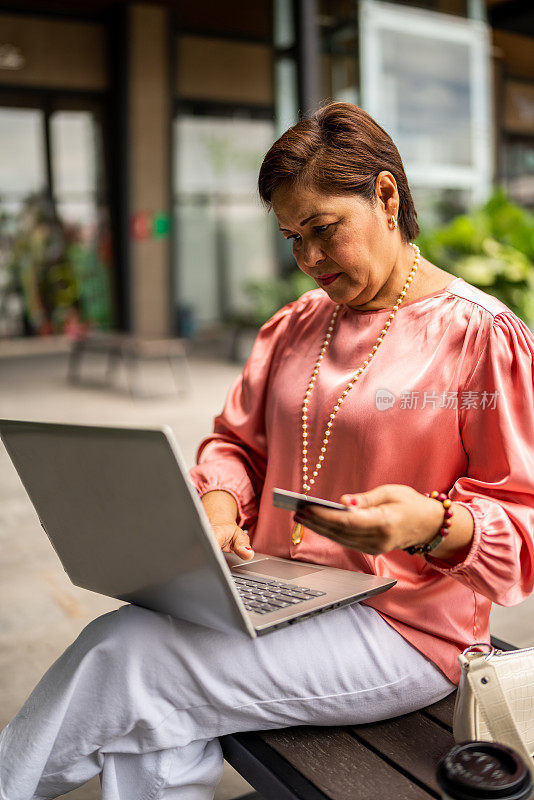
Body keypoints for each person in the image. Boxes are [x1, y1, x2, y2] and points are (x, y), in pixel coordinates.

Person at [1, 102, 534, 800]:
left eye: (322, 230)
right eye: (291, 237)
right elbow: (234, 443)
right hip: (279, 589)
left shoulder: (481, 337)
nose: (308, 259)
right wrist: (221, 507)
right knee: (156, 712)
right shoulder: (295, 325)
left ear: (385, 195)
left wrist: (428, 525)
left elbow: (522, 525)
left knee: (127, 654)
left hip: (404, 629)